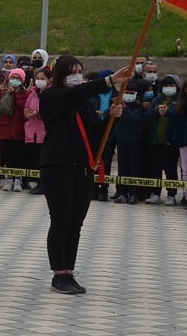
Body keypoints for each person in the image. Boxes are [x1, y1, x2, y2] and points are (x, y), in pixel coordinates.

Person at [37, 55, 126, 294]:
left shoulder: (85, 102)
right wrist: (107, 81)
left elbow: (96, 133)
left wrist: (111, 119)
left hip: (82, 167)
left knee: (76, 221)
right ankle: (58, 274)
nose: (76, 75)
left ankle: (69, 270)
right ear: (61, 75)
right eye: (71, 71)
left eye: (79, 70)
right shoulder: (51, 96)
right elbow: (73, 96)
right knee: (61, 219)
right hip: (58, 166)